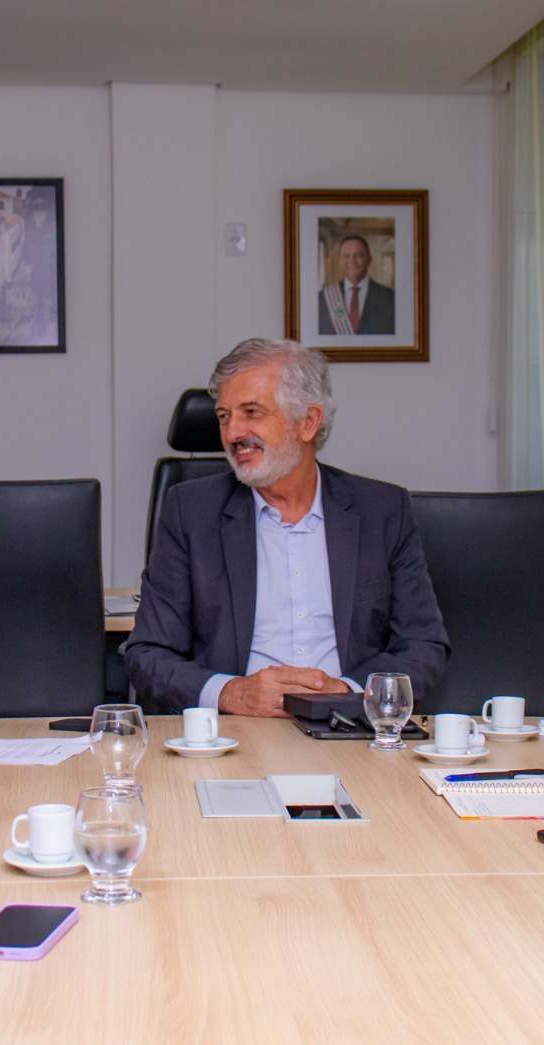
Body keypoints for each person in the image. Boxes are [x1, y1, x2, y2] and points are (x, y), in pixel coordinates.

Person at [125, 338, 448, 717]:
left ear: (308, 422)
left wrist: (346, 691)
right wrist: (232, 693)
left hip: (350, 729)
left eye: (251, 412)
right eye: (224, 416)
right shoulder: (191, 512)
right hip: (234, 731)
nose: (232, 433)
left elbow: (423, 645)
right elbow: (147, 654)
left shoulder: (383, 510)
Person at [317, 234, 395, 336]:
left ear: (369, 259)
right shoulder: (322, 298)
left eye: (358, 255)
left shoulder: (390, 297)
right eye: (346, 256)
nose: (352, 261)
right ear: (340, 260)